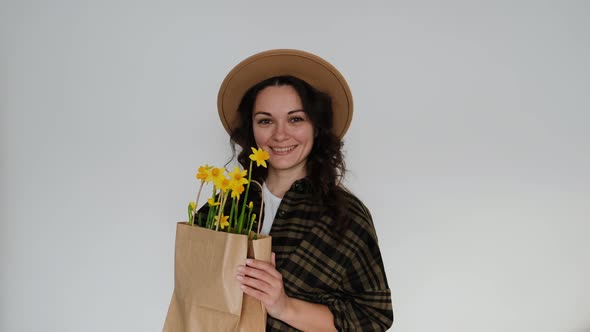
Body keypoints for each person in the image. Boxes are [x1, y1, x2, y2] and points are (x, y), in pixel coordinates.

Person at [217, 49, 393, 331]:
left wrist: (283, 305)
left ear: (316, 127)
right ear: (252, 130)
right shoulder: (224, 205)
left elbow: (373, 317)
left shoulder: (345, 217)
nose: (280, 134)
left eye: (296, 119)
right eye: (265, 120)